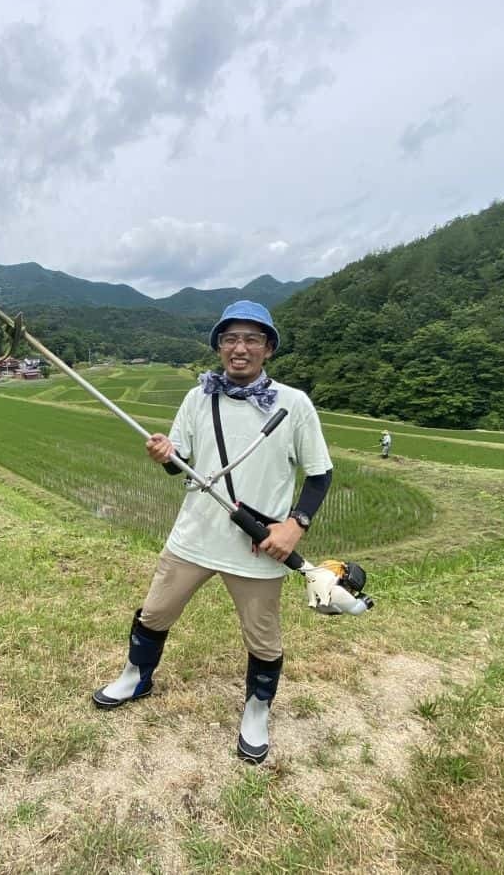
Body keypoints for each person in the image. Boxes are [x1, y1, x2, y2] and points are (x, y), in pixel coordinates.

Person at [92, 300, 334, 765]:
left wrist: (294, 525)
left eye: (251, 339)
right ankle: (135, 677)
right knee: (155, 612)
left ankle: (257, 710)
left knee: (263, 639)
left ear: (268, 349)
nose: (239, 348)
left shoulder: (293, 404)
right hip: (195, 536)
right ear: (219, 346)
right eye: (230, 339)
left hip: (256, 545)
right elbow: (177, 461)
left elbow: (320, 474)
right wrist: (164, 454)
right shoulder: (198, 396)